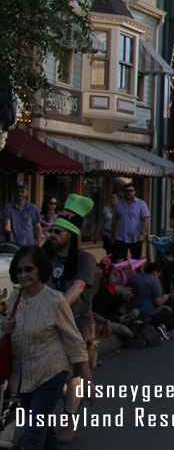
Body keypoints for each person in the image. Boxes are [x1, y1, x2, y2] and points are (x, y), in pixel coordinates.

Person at [4, 245, 92, 450]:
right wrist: (7, 324)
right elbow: (14, 329)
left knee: (33, 434)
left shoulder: (55, 300)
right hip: (23, 376)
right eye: (19, 270)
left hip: (50, 373)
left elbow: (74, 340)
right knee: (46, 433)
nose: (23, 274)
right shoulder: (16, 296)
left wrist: (87, 380)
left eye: (28, 269)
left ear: (40, 270)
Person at [41, 194, 99, 445]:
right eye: (50, 230)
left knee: (74, 375)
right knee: (51, 375)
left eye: (57, 231)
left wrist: (54, 310)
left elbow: (75, 290)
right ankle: (65, 399)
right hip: (48, 326)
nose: (51, 234)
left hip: (78, 324)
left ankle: (68, 420)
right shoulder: (43, 256)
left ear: (70, 235)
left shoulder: (85, 259)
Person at [112, 182, 150, 261]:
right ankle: (120, 273)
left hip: (135, 237)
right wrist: (113, 236)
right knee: (119, 259)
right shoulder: (119, 204)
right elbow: (114, 220)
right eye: (127, 191)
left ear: (134, 192)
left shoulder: (141, 204)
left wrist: (142, 234)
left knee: (136, 260)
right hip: (121, 237)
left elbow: (146, 219)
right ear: (123, 192)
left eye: (131, 191)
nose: (129, 192)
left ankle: (136, 273)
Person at [2, 180, 42, 246]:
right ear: (14, 192)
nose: (20, 194)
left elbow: (38, 227)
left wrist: (39, 244)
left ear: (27, 192)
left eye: (22, 191)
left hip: (29, 244)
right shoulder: (8, 207)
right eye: (18, 191)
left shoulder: (33, 208)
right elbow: (7, 226)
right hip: (14, 244)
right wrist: (10, 238)